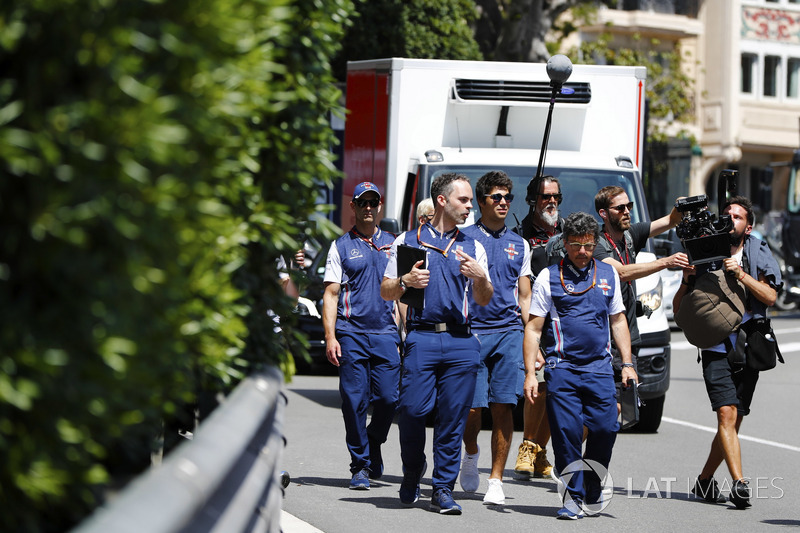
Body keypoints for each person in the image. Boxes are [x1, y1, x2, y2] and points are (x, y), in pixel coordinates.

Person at [381, 173, 493, 515]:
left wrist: (481, 278)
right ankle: (413, 470)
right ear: (442, 200)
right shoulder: (408, 240)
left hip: (461, 341)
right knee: (412, 410)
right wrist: (405, 280)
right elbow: (386, 290)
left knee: (453, 418)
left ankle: (443, 489)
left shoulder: (473, 245)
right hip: (422, 336)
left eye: (471, 200)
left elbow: (485, 299)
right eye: (465, 200)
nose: (470, 206)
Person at [523, 212, 637, 520]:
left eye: (588, 245)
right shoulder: (548, 276)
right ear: (565, 244)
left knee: (606, 427)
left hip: (599, 368)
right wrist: (531, 373)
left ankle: (591, 483)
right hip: (563, 368)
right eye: (576, 245)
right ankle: (572, 497)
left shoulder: (608, 274)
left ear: (595, 242)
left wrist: (627, 363)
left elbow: (618, 320)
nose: (583, 252)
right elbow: (533, 328)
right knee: (567, 433)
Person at [672, 196, 780, 509]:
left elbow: (771, 296)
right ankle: (740, 484)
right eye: (727, 214)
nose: (730, 220)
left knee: (733, 420)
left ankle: (704, 481)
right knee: (726, 413)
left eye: (738, 216)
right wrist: (685, 282)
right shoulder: (704, 249)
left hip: (749, 345)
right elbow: (680, 310)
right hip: (714, 344)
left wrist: (741, 274)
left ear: (749, 226)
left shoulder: (758, 251)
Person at [459, 171, 532, 505]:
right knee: (473, 410)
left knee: (504, 406)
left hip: (509, 332)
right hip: (471, 333)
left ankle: (497, 479)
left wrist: (534, 343)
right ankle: (471, 454)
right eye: (496, 197)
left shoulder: (520, 243)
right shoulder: (462, 238)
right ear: (481, 201)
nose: (503, 203)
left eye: (508, 198)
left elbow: (525, 297)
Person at [323, 182, 400, 491]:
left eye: (373, 202)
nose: (368, 207)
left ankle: (373, 441)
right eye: (362, 202)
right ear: (352, 207)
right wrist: (331, 337)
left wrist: (407, 334)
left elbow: (404, 293)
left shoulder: (395, 244)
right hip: (351, 333)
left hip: (385, 333)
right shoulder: (340, 246)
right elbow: (330, 295)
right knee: (354, 401)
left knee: (388, 399)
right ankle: (361, 465)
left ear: (379, 206)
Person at [593, 186, 690, 402]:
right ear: (604, 213)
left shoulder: (630, 235)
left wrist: (681, 204)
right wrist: (666, 261)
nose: (627, 211)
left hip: (628, 338)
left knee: (620, 409)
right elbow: (621, 272)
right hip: (603, 340)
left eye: (630, 206)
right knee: (605, 409)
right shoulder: (595, 244)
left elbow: (670, 221)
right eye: (620, 208)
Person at [513, 175, 563, 480]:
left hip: (565, 321)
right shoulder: (521, 236)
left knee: (557, 392)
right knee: (539, 388)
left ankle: (539, 450)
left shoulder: (568, 232)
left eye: (557, 196)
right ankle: (527, 445)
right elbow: (521, 290)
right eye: (546, 197)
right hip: (534, 321)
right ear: (533, 200)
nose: (552, 202)